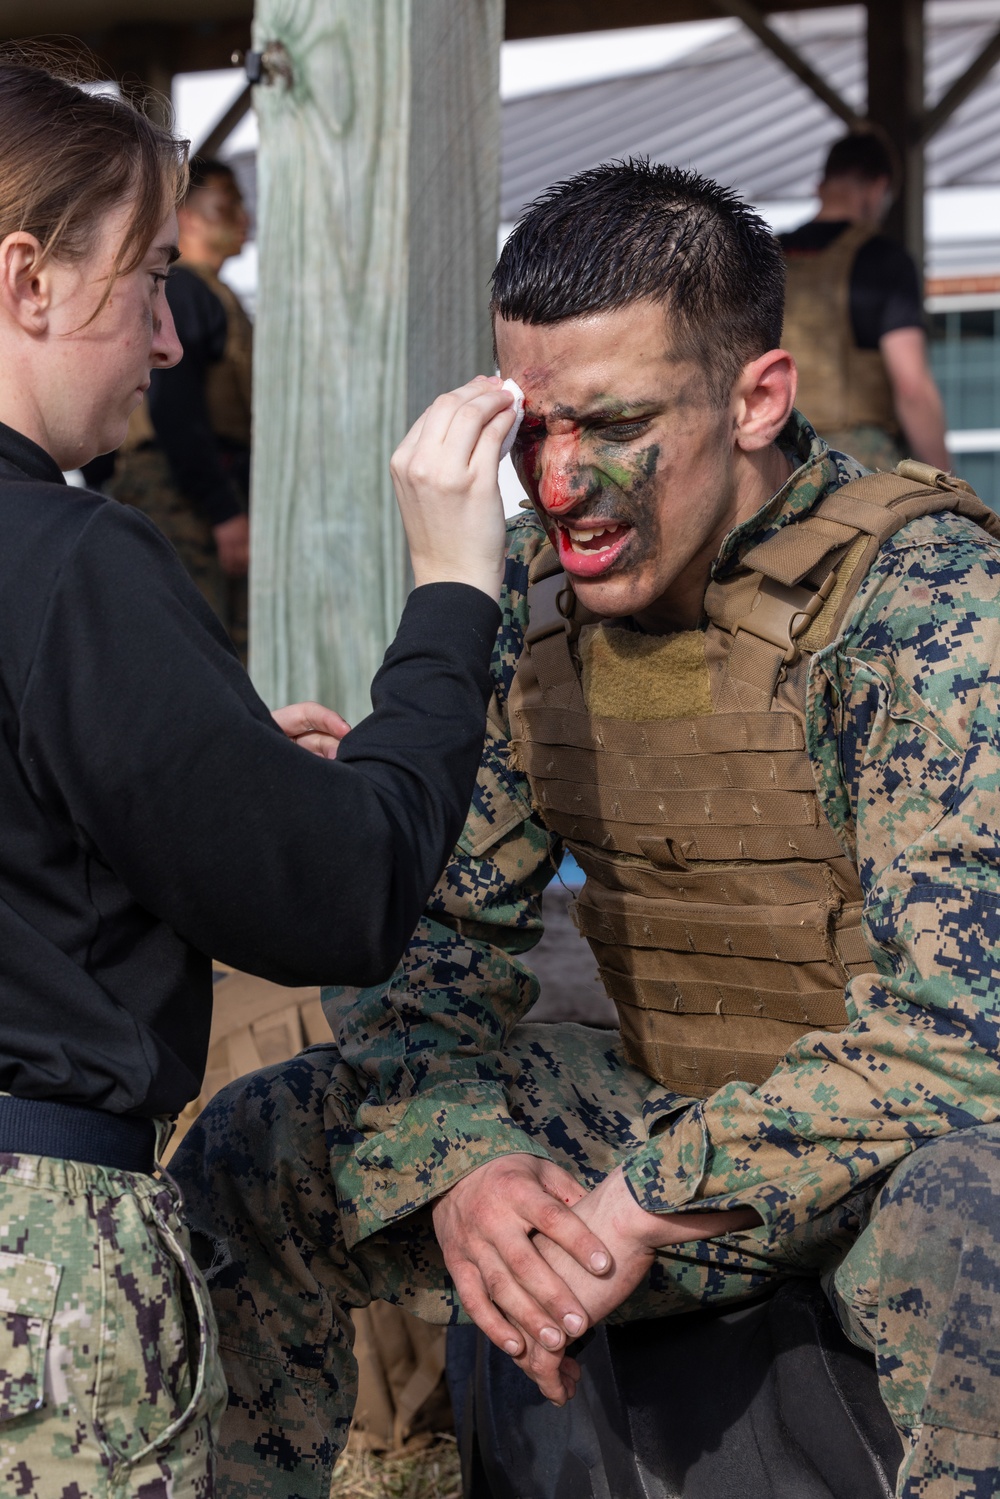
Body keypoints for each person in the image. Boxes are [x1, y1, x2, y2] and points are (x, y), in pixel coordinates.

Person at [172, 161, 1000, 1499]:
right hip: (665, 1108)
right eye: (530, 430)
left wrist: (652, 1191)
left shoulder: (925, 607)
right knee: (259, 1142)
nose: (561, 483)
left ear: (758, 399)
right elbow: (424, 951)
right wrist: (467, 1161)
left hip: (889, 1145)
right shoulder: (535, 616)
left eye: (613, 424)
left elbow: (968, 1028)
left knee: (979, 1211)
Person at [0, 58, 514, 1497]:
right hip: (37, 1270)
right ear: (28, 279)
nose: (168, 336)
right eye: (148, 276)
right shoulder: (67, 557)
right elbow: (341, 894)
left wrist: (221, 779)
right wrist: (453, 599)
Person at [108, 155, 253, 656]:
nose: (243, 219)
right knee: (195, 643)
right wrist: (223, 509)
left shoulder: (209, 291)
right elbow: (175, 404)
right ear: (187, 217)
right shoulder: (185, 289)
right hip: (180, 495)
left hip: (199, 485)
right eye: (226, 206)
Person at [780, 132, 950, 473]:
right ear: (877, 189)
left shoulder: (765, 257)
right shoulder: (885, 259)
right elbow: (911, 387)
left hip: (775, 456)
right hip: (852, 464)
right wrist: (949, 482)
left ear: (823, 185)